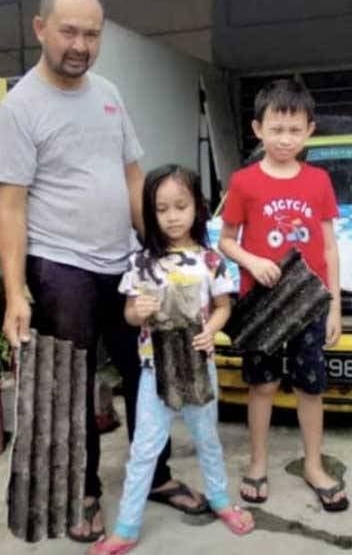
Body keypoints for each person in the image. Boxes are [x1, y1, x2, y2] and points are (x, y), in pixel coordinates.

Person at [0, 0, 207, 543]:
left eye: (91, 33)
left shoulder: (108, 92)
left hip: (125, 262)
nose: (80, 44)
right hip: (59, 267)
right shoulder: (19, 108)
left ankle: (154, 474)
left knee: (148, 373)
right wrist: (16, 290)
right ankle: (81, 492)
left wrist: (158, 247)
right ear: (41, 29)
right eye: (69, 31)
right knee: (69, 384)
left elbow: (133, 174)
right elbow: (9, 205)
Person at [88, 165, 254, 555]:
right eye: (162, 208)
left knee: (208, 440)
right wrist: (139, 311)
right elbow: (129, 314)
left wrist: (211, 329)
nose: (173, 215)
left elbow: (223, 306)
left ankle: (219, 500)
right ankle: (127, 528)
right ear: (150, 213)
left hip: (199, 365)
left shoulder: (210, 260)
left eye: (181, 206)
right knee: (145, 447)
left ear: (197, 207)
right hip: (153, 370)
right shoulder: (140, 263)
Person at [218, 78, 349, 511]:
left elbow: (329, 246)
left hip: (309, 305)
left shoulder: (318, 182)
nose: (284, 138)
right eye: (276, 128)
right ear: (258, 129)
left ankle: (313, 464)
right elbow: (226, 240)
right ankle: (257, 464)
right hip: (262, 306)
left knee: (311, 388)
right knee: (263, 386)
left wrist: (334, 306)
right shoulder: (243, 182)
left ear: (309, 130)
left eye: (294, 129)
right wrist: (251, 262)